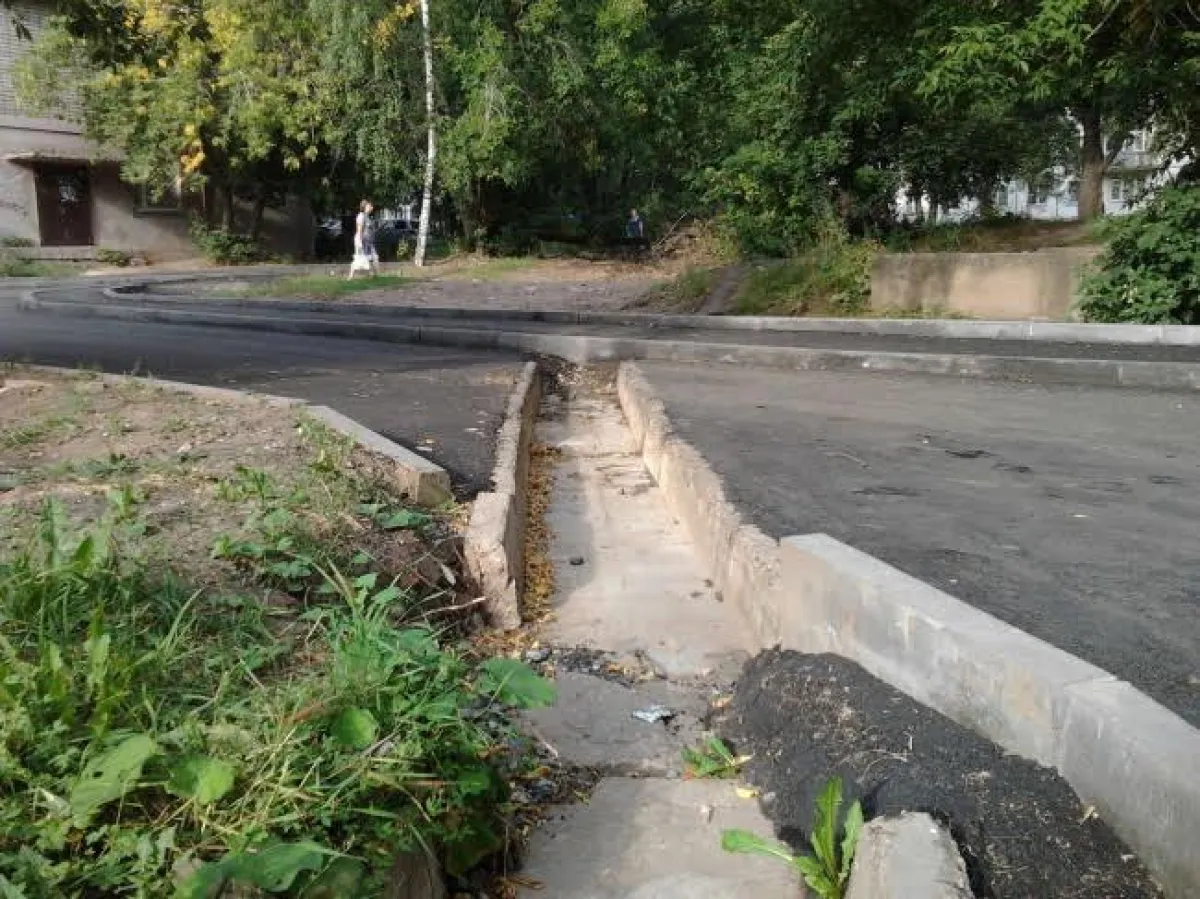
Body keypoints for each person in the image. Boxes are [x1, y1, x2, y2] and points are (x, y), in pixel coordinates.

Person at [347, 199, 380, 279]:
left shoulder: (367, 216)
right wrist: (360, 242)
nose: (372, 207)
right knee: (360, 259)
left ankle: (373, 275)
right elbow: (359, 230)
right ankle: (351, 276)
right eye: (369, 206)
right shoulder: (361, 216)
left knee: (372, 258)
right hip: (362, 241)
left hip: (369, 241)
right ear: (365, 207)